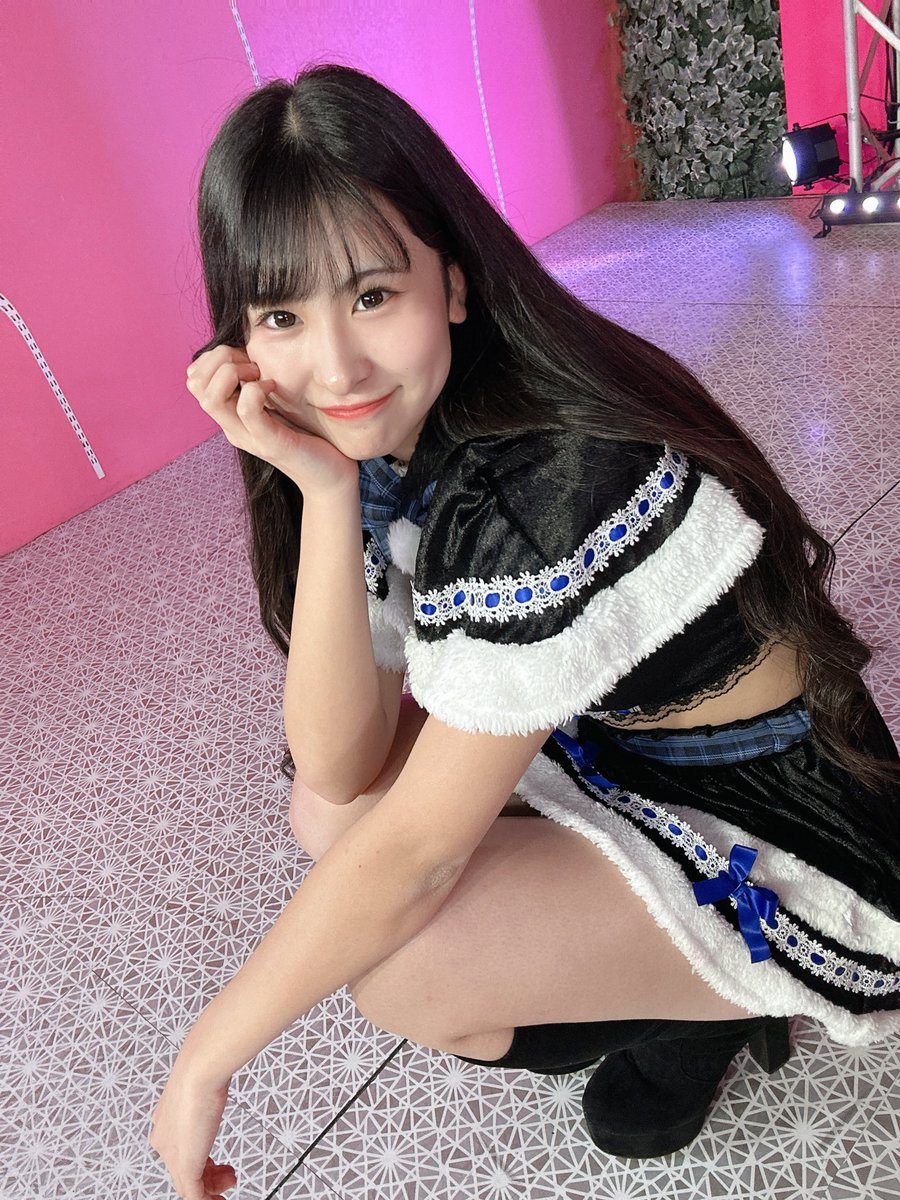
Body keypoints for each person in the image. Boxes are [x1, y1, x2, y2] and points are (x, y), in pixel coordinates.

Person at [149, 64, 900, 1198]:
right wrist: (323, 490)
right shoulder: (396, 438)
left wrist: (205, 1061)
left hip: (797, 823)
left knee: (408, 972)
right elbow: (337, 763)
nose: (336, 367)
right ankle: (676, 982)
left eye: (372, 296)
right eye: (283, 317)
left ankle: (710, 1004)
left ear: (452, 282)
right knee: (332, 812)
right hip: (623, 753)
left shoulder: (537, 481)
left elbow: (420, 859)